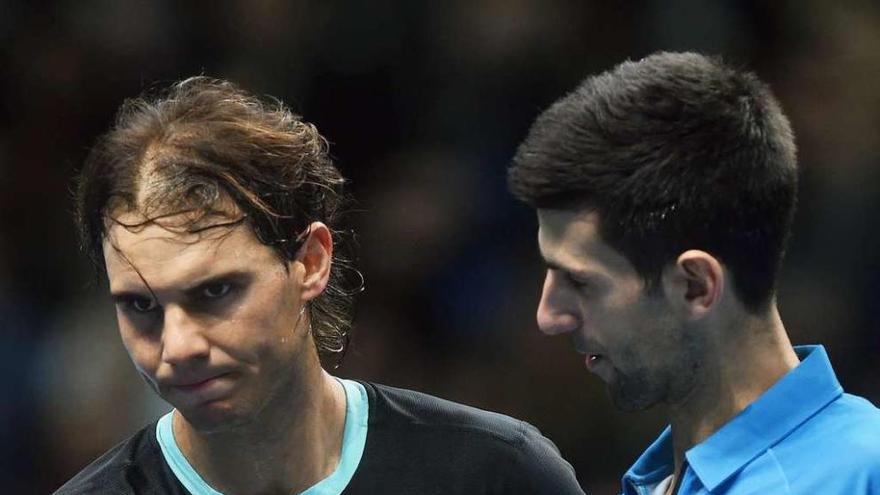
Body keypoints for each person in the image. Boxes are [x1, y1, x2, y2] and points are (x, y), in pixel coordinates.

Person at [56, 77, 584, 495]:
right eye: (141, 305)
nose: (178, 348)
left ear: (310, 261)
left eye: (215, 292)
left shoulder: (496, 473)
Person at [508, 52, 880, 494]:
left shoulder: (862, 472)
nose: (548, 316)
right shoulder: (657, 481)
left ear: (696, 286)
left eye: (580, 281)